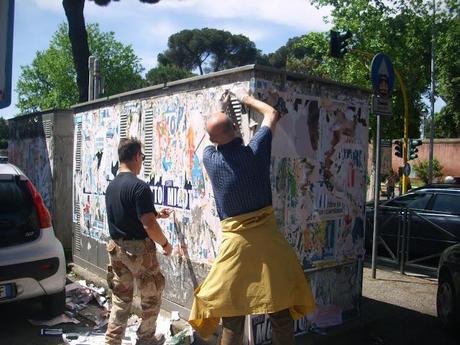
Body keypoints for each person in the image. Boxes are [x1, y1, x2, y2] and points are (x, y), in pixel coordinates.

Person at [188, 89, 316, 345]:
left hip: (235, 249)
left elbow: (214, 138)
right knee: (280, 314)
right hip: (269, 245)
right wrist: (246, 100)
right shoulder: (256, 151)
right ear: (236, 127)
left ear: (215, 140)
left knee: (233, 317)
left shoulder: (210, 160)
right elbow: (271, 113)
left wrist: (220, 107)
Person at [105, 138, 173, 345]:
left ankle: (112, 340)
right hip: (139, 251)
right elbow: (149, 227)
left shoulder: (112, 186)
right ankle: (146, 338)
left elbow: (127, 213)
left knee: (121, 298)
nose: (142, 161)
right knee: (151, 296)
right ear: (136, 156)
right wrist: (165, 244)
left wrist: (155, 214)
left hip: (117, 249)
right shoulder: (139, 187)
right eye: (142, 157)